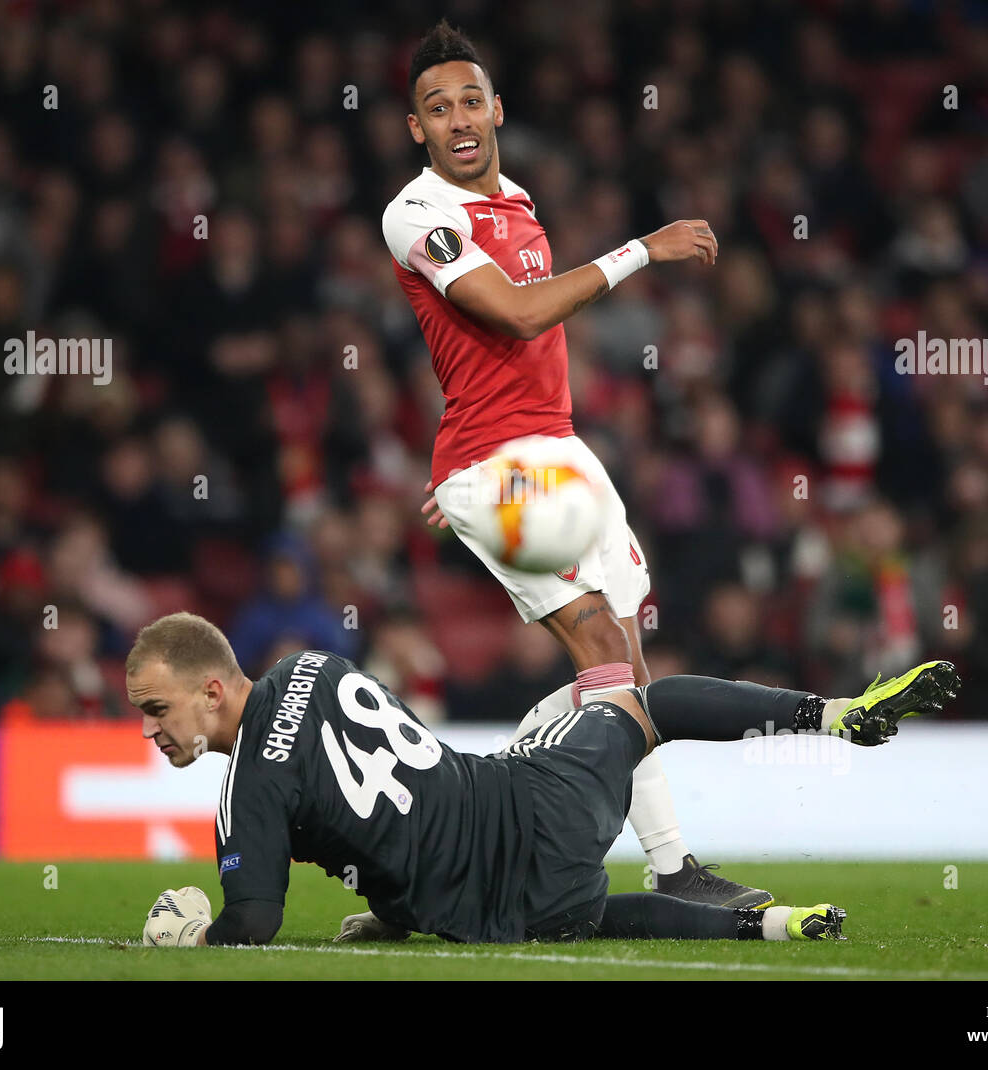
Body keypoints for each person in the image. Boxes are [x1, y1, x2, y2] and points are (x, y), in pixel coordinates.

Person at [382, 19, 743, 910]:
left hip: (553, 449)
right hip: (500, 462)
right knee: (598, 643)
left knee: (621, 656)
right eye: (438, 107)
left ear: (498, 109)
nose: (458, 117)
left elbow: (510, 352)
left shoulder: (521, 198)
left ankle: (516, 808)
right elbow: (512, 316)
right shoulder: (417, 213)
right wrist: (639, 251)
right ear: (415, 129)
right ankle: (668, 869)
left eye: (471, 99)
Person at [127, 612, 960, 947]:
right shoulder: (320, 662)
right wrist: (389, 907)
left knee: (589, 919)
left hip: (498, 911)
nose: (149, 730)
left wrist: (194, 939)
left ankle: (771, 924)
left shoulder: (247, 797)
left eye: (156, 708)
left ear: (210, 690)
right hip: (536, 803)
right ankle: (833, 715)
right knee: (642, 707)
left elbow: (256, 925)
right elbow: (385, 803)